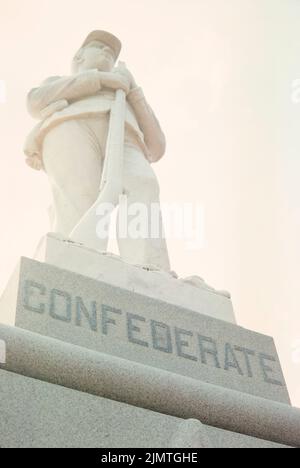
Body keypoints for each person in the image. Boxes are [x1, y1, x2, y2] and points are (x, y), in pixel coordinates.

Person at [24, 30, 170, 271]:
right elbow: (35, 101)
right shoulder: (58, 81)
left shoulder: (128, 93)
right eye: (98, 47)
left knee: (143, 184)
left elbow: (157, 146)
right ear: (79, 57)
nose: (107, 52)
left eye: (111, 52)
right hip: (71, 127)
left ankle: (149, 268)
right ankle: (73, 265)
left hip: (125, 137)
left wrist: (133, 90)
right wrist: (100, 80)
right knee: (80, 198)